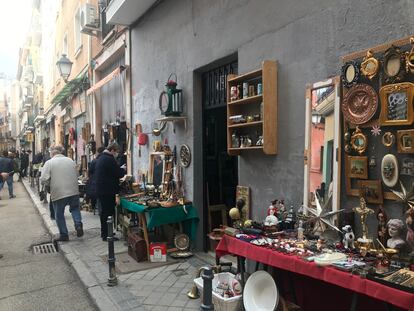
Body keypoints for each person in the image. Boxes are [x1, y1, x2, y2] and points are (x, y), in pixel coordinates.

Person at [40, 146, 83, 241]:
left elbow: (43, 179)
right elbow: (77, 175)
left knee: (59, 213)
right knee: (75, 208)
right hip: (73, 190)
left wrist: (49, 185)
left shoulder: (49, 163)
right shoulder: (70, 160)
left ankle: (64, 234)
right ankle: (78, 224)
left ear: (52, 154)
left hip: (58, 191)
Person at [95, 141, 125, 241]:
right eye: (116, 152)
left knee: (104, 212)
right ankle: (107, 235)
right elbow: (117, 173)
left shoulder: (101, 157)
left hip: (102, 190)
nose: (116, 154)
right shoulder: (108, 159)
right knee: (108, 213)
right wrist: (123, 169)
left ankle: (106, 233)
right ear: (112, 150)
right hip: (107, 191)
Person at [86, 147, 105, 214]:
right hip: (102, 181)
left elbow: (90, 170)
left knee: (96, 195)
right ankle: (100, 210)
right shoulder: (104, 159)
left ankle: (95, 208)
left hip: (94, 180)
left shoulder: (95, 160)